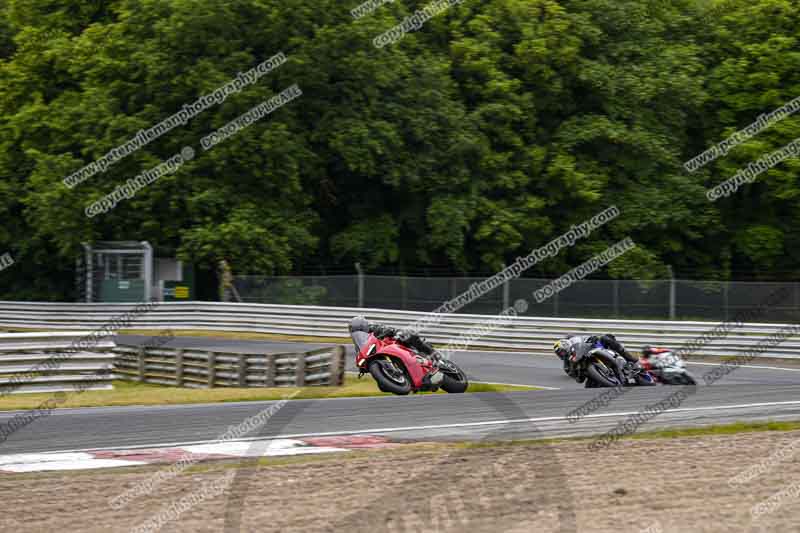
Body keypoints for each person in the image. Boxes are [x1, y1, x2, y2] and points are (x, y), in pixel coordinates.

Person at [348, 316, 439, 359]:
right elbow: (361, 354)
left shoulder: (373, 327)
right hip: (384, 351)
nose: (358, 332)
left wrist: (385, 334)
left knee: (407, 335)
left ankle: (433, 353)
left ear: (363, 326)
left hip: (392, 339)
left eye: (358, 329)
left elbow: (387, 329)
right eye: (354, 330)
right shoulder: (360, 342)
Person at [554, 334, 640, 378]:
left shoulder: (576, 342)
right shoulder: (567, 365)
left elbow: (588, 339)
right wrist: (576, 370)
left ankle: (631, 359)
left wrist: (593, 338)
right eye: (559, 354)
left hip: (596, 349)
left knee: (605, 338)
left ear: (566, 345)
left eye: (562, 351)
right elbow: (573, 375)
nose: (562, 354)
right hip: (591, 368)